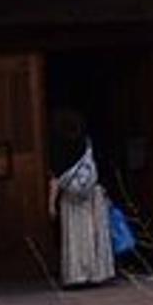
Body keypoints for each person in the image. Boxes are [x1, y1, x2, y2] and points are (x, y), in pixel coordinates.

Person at [47, 108, 114, 288]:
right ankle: (97, 273)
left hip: (70, 198)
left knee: (75, 235)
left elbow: (55, 179)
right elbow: (103, 169)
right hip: (93, 194)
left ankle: (77, 274)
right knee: (94, 233)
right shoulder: (89, 144)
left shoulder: (57, 147)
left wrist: (51, 204)